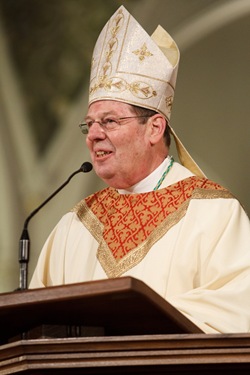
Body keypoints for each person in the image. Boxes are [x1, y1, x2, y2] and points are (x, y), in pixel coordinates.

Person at [29, 5, 250, 334]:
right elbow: (35, 324)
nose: (93, 135)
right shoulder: (73, 225)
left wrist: (132, 317)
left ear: (155, 128)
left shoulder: (214, 213)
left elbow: (239, 308)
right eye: (88, 125)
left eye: (110, 121)